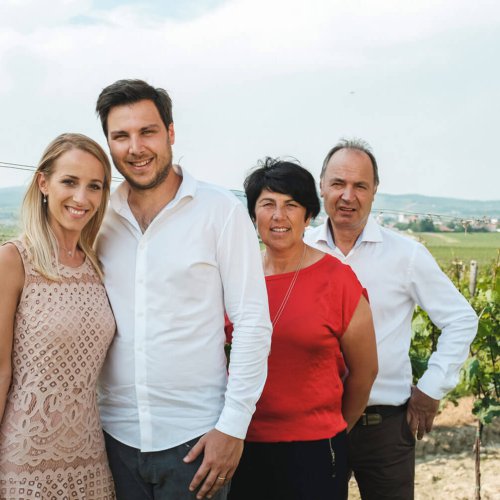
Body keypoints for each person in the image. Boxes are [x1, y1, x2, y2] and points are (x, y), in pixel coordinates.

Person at [94, 79, 272, 500]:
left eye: (147, 132)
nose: (135, 147)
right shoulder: (98, 217)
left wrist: (232, 427)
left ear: (171, 133)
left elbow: (252, 322)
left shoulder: (220, 211)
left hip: (196, 443)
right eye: (121, 136)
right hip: (112, 439)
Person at [304, 138, 479, 499]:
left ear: (374, 192)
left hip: (382, 428)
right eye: (338, 183)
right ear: (321, 186)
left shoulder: (406, 255)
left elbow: (461, 319)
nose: (348, 195)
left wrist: (431, 389)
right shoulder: (300, 251)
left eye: (360, 186)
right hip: (312, 426)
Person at [227, 158, 378, 500]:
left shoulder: (336, 280)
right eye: (267, 204)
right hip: (239, 445)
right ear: (253, 215)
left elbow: (365, 371)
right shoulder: (235, 279)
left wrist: (331, 426)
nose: (279, 216)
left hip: (313, 450)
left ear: (308, 216)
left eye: (291, 205)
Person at [0, 133, 116, 499]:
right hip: (25, 458)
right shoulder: (14, 260)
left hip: (90, 457)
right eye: (70, 181)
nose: (82, 198)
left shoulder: (98, 264)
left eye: (94, 186)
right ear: (43, 183)